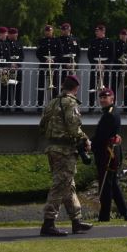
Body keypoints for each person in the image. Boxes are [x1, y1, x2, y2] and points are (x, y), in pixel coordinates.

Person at [39, 75, 92, 237]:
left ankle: (76, 221)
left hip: (53, 148)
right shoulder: (70, 103)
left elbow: (42, 125)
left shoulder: (52, 102)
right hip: (65, 150)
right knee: (60, 186)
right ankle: (48, 223)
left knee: (68, 185)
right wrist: (85, 139)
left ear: (63, 86)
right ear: (76, 88)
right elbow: (73, 127)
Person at [92, 88, 127, 222]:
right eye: (101, 97)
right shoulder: (113, 111)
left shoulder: (109, 114)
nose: (102, 100)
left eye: (105, 97)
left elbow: (101, 137)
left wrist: (89, 144)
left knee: (105, 186)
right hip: (113, 152)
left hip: (107, 153)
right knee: (113, 184)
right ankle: (125, 213)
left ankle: (104, 216)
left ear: (112, 99)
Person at [86, 24, 113, 110]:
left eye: (98, 31)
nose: (96, 32)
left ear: (103, 31)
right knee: (92, 86)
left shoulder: (109, 42)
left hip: (105, 68)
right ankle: (91, 107)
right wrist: (95, 64)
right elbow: (89, 55)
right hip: (95, 66)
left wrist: (105, 65)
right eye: (96, 31)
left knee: (105, 88)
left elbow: (112, 56)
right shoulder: (93, 42)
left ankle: (106, 107)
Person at [36, 25, 60, 111]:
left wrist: (54, 60)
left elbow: (60, 53)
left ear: (52, 31)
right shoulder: (41, 41)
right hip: (44, 65)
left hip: (53, 65)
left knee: (54, 86)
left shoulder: (57, 41)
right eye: (46, 31)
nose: (48, 32)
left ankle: (54, 105)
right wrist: (44, 60)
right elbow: (38, 53)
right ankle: (39, 105)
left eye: (49, 31)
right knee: (41, 85)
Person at [111, 29, 127, 113]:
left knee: (126, 88)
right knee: (114, 88)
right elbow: (113, 57)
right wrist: (120, 63)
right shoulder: (115, 44)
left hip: (126, 70)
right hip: (116, 69)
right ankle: (112, 107)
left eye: (125, 34)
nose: (124, 36)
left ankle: (126, 108)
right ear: (120, 35)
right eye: (122, 34)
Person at [57, 23, 81, 92]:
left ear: (69, 30)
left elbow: (78, 52)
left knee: (73, 84)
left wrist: (75, 62)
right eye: (62, 29)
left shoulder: (75, 39)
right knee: (63, 84)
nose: (63, 31)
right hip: (63, 65)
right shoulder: (59, 40)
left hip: (73, 64)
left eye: (65, 29)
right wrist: (65, 64)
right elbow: (59, 53)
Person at [5, 28, 24, 111]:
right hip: (8, 68)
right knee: (8, 87)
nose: (16, 35)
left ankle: (18, 106)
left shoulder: (19, 43)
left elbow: (22, 56)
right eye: (14, 34)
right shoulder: (6, 43)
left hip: (17, 68)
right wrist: (10, 64)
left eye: (17, 34)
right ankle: (8, 105)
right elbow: (5, 55)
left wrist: (17, 64)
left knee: (18, 87)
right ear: (10, 35)